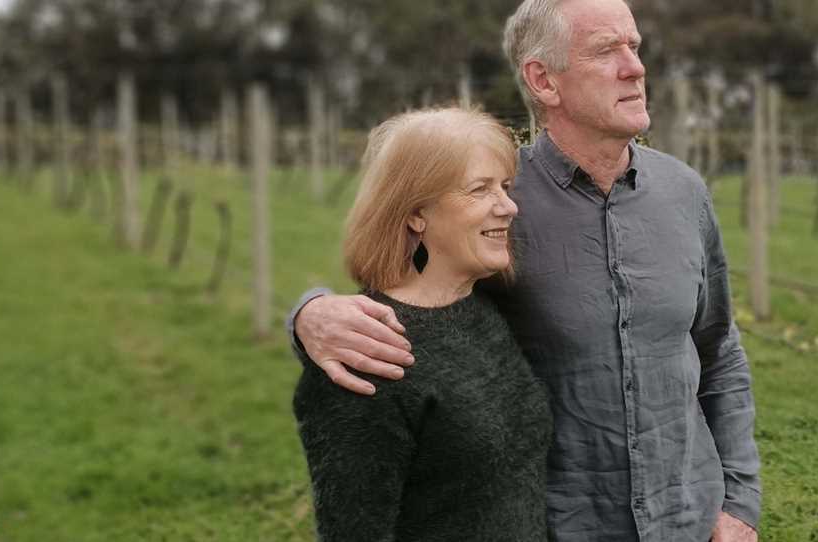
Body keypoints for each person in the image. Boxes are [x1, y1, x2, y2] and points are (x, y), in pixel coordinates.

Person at [288, 0, 762, 540]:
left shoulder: (686, 192)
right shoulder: (498, 210)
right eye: (607, 50)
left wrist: (740, 500)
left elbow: (719, 349)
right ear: (544, 80)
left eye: (635, 46)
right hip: (562, 526)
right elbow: (413, 300)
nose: (635, 66)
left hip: (692, 520)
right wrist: (311, 314)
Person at [293, 107, 553, 541]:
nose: (508, 207)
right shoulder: (367, 353)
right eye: (480, 189)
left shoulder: (484, 310)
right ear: (416, 213)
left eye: (505, 186)